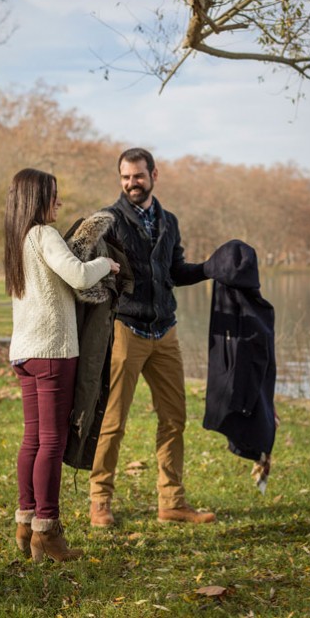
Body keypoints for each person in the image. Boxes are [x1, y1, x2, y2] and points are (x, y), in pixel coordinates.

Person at [89, 147, 215, 527]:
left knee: (174, 418)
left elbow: (175, 271)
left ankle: (172, 502)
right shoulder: (107, 220)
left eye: (138, 176)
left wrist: (210, 268)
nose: (131, 184)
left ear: (154, 175)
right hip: (126, 329)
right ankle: (99, 501)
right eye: (125, 177)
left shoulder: (169, 220)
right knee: (113, 421)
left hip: (166, 332)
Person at [4, 168, 120, 563]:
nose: (60, 203)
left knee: (33, 440)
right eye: (54, 195)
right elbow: (77, 274)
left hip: (24, 352)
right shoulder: (44, 235)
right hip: (52, 351)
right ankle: (47, 531)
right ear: (37, 199)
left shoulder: (17, 239)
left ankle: (25, 521)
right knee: (51, 442)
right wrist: (108, 266)